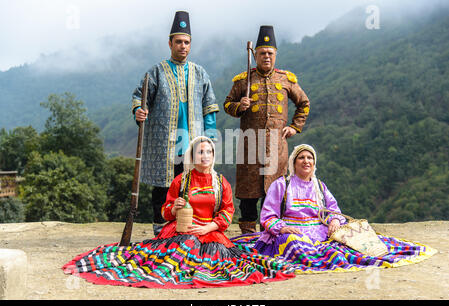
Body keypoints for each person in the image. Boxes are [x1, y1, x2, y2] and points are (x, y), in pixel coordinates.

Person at [62, 136, 295, 288]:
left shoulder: (220, 182)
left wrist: (207, 227)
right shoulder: (181, 181)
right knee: (175, 253)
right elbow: (165, 212)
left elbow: (227, 212)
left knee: (220, 261)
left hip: (210, 231)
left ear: (213, 156)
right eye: (200, 152)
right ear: (192, 156)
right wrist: (173, 208)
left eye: (209, 152)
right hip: (180, 230)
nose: (205, 157)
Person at [232, 144, 437, 273]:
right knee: (294, 243)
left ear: (314, 164)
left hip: (319, 230)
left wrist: (335, 222)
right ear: (294, 163)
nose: (306, 161)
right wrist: (282, 228)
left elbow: (333, 209)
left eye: (310, 158)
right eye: (301, 158)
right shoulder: (281, 185)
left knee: (346, 246)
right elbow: (268, 216)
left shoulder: (320, 186)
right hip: (291, 231)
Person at [132, 11, 219, 236]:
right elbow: (139, 97)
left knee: (191, 186)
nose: (183, 46)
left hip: (192, 142)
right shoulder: (156, 72)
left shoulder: (200, 73)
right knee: (163, 187)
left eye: (186, 42)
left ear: (191, 45)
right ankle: (160, 230)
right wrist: (139, 111)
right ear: (170, 43)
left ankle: (186, 229)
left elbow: (209, 105)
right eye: (178, 41)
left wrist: (210, 136)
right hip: (164, 142)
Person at [224, 25, 311, 234]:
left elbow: (304, 103)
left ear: (276, 55)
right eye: (262, 53)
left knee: (273, 193)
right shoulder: (243, 80)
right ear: (254, 55)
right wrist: (239, 106)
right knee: (248, 195)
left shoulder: (286, 80)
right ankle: (247, 237)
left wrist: (294, 127)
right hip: (249, 146)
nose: (266, 57)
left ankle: (269, 235)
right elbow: (227, 104)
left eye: (270, 53)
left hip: (276, 148)